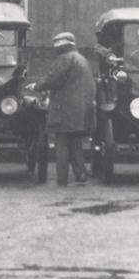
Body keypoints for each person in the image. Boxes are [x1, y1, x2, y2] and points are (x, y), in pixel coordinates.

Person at [26, 32, 96, 186]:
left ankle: (62, 179)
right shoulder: (81, 59)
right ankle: (80, 175)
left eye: (57, 44)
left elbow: (53, 78)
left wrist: (36, 86)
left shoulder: (64, 59)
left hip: (64, 108)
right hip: (81, 108)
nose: (55, 47)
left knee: (62, 143)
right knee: (75, 141)